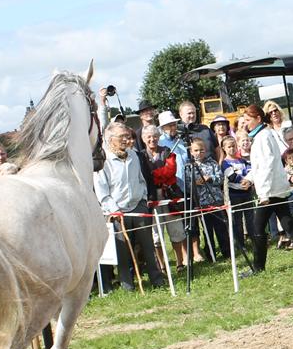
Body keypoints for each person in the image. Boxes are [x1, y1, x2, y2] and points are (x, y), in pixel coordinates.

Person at [244, 104, 293, 274]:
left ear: (258, 119)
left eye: (248, 119)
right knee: (291, 227)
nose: (246, 123)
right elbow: (260, 165)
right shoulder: (262, 135)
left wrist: (263, 193)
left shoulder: (264, 136)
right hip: (274, 190)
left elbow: (267, 166)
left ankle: (258, 268)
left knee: (257, 229)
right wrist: (249, 178)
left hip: (270, 191)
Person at [94, 123, 165, 291]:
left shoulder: (133, 155)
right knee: (123, 251)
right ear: (111, 140)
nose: (127, 140)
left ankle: (157, 280)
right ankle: (127, 285)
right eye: (122, 137)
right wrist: (114, 209)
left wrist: (143, 199)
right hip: (117, 212)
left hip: (138, 207)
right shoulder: (104, 161)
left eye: (127, 136)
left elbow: (141, 179)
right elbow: (102, 190)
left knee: (148, 246)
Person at [140, 124, 188, 269]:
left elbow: (170, 171)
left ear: (159, 137)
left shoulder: (167, 151)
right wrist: (155, 176)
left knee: (175, 229)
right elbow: (141, 175)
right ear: (143, 138)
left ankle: (180, 262)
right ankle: (161, 265)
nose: (152, 139)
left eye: (155, 136)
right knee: (156, 233)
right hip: (151, 197)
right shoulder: (140, 156)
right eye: (148, 136)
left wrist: (151, 175)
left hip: (169, 194)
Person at [187, 137, 229, 260]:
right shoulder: (190, 167)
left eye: (201, 150)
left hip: (216, 201)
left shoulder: (213, 163)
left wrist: (210, 178)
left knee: (221, 228)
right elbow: (188, 185)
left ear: (205, 151)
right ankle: (211, 254)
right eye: (196, 150)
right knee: (207, 230)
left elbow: (221, 178)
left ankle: (226, 251)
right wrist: (195, 183)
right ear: (191, 151)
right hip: (202, 203)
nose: (199, 153)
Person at [220, 135, 255, 249]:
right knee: (237, 221)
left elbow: (250, 171)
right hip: (234, 194)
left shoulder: (242, 160)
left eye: (234, 146)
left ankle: (255, 240)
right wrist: (244, 180)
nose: (232, 149)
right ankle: (240, 244)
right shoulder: (225, 163)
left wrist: (249, 182)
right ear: (224, 148)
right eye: (229, 147)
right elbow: (231, 176)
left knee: (250, 218)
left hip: (247, 192)